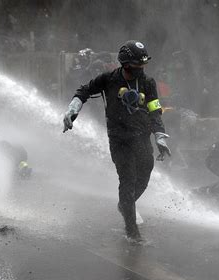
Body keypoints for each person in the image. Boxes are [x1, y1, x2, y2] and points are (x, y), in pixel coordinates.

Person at [62, 40, 171, 241]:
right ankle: (132, 232)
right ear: (126, 64)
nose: (142, 69)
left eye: (143, 65)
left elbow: (155, 110)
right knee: (127, 179)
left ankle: (125, 205)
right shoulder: (108, 80)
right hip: (119, 140)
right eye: (138, 65)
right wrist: (73, 110)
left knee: (145, 174)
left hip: (142, 137)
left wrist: (160, 136)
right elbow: (83, 91)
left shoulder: (148, 83)